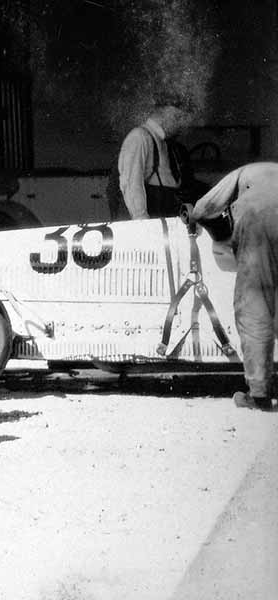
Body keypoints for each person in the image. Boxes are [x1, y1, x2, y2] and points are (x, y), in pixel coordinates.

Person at [188, 162, 278, 412]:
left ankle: (259, 394)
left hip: (259, 222)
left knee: (254, 309)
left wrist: (193, 215)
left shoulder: (243, 173)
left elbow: (210, 203)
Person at [110, 97, 202, 220]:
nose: (182, 124)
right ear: (166, 113)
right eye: (178, 117)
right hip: (147, 226)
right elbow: (132, 185)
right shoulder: (140, 137)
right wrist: (142, 224)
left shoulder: (169, 145)